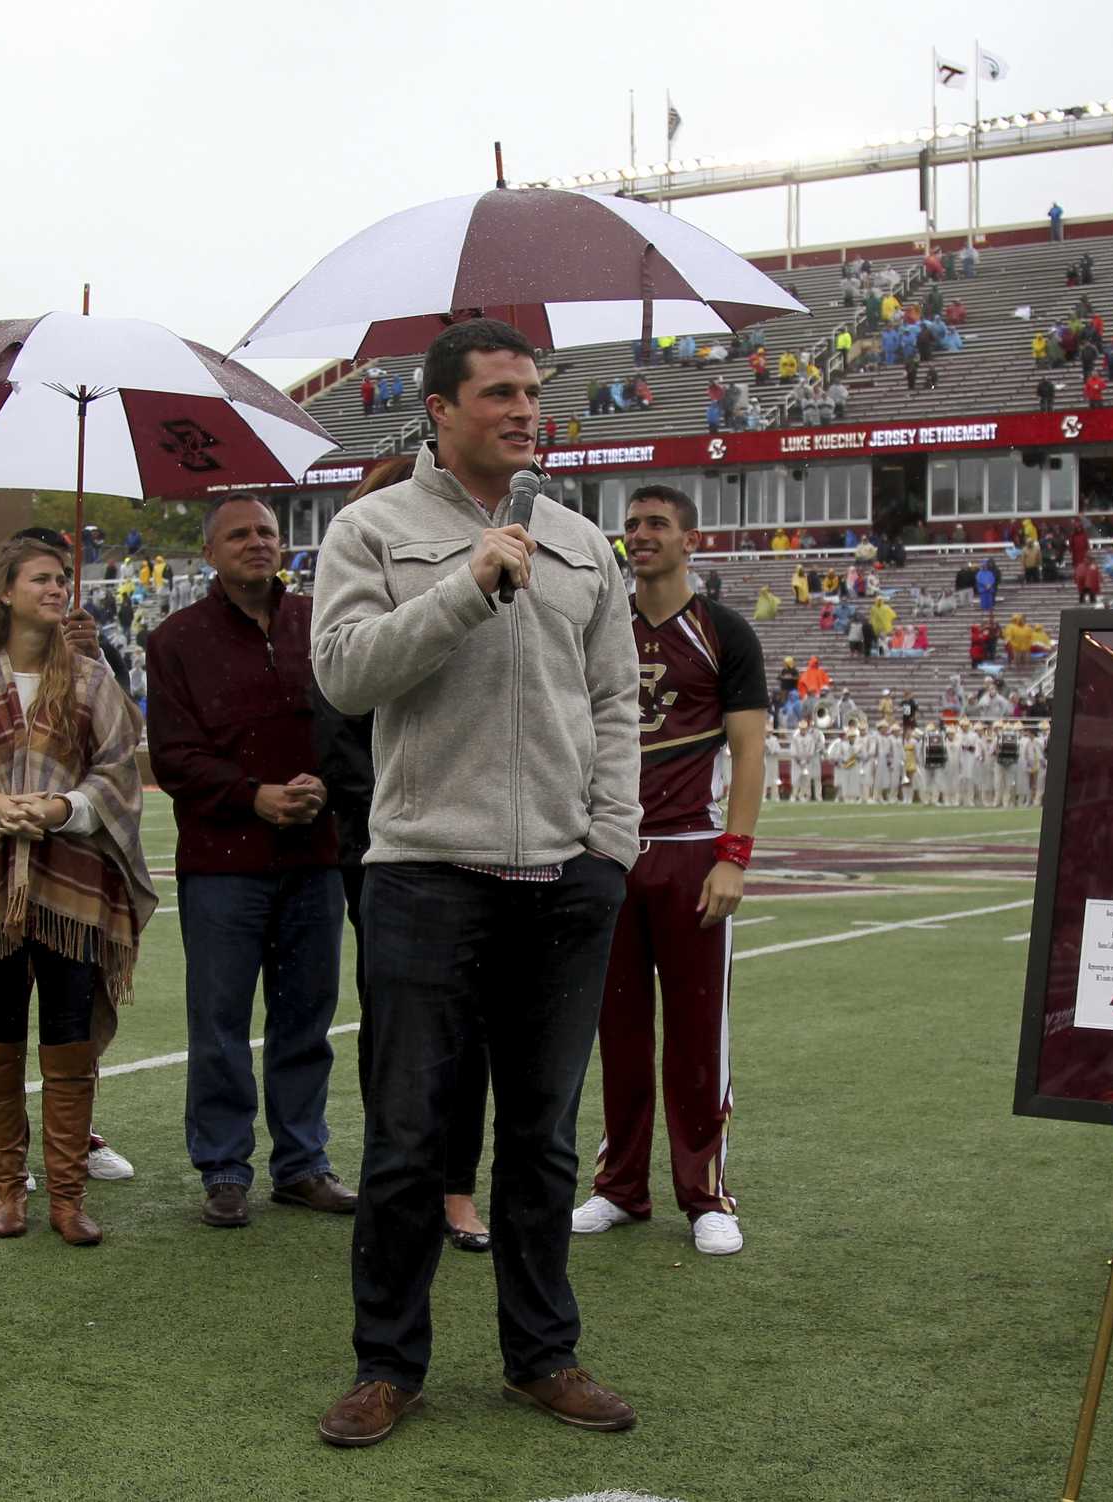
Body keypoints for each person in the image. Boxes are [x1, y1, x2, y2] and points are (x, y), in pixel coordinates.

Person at [310, 318, 642, 1445]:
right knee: (408, 1136)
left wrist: (612, 845)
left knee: (543, 1138)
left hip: (562, 879)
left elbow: (613, 704)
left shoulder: (582, 545)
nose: (522, 408)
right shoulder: (370, 529)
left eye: (532, 392)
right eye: (498, 391)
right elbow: (347, 677)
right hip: (424, 874)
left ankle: (540, 1352)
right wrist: (461, 584)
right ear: (439, 407)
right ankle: (385, 1363)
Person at [0, 534, 157, 1247]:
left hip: (72, 881)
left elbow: (117, 771)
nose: (57, 589)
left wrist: (59, 810)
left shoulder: (89, 679)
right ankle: (10, 1190)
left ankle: (68, 1199)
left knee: (70, 1034)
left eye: (63, 579)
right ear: (6, 591)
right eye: (42, 579)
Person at [147, 494, 353, 1231]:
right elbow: (174, 755)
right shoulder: (175, 639)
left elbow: (354, 720)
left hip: (315, 855)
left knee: (307, 1019)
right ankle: (224, 1169)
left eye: (267, 531)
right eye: (239, 534)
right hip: (221, 861)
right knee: (221, 1022)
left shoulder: (321, 621)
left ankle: (301, 1164)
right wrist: (253, 796)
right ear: (211, 553)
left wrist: (326, 784)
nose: (257, 543)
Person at [573, 485, 765, 1257]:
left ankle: (706, 1192)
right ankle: (619, 1185)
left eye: (657, 525)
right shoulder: (600, 625)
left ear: (692, 540)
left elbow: (749, 750)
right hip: (607, 850)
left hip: (691, 850)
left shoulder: (724, 632)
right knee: (615, 1031)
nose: (640, 535)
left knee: (696, 1035)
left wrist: (734, 857)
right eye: (632, 526)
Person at [312, 459, 493, 1255]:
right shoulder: (351, 584)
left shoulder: (479, 587)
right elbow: (340, 724)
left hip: (478, 835)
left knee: (476, 1027)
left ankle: (458, 1188)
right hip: (386, 847)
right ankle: (403, 1184)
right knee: (394, 1025)